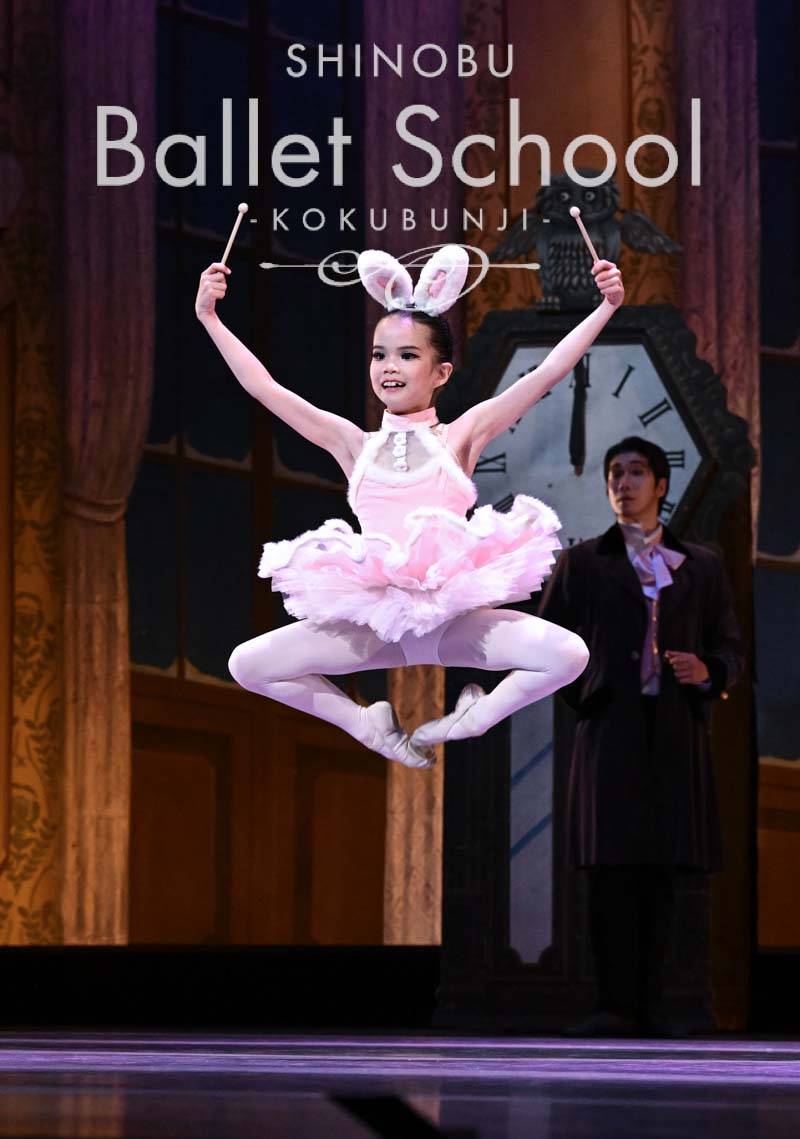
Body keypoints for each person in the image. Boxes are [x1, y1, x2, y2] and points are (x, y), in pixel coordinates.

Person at [194, 245, 624, 768]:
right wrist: (210, 317)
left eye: (407, 355)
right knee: (248, 665)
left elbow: (547, 372)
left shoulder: (460, 435)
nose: (389, 367)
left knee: (570, 654)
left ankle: (471, 719)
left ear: (441, 373)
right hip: (375, 625)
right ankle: (367, 726)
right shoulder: (353, 443)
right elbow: (263, 387)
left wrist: (606, 307)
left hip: (451, 618)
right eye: (380, 354)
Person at [537, 437, 744, 1036]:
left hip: (675, 732)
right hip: (610, 731)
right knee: (611, 871)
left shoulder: (701, 565)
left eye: (635, 473)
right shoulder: (583, 563)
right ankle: (614, 1005)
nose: (623, 484)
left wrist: (709, 671)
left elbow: (731, 648)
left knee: (663, 870)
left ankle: (656, 1006)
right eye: (615, 474)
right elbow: (544, 646)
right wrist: (591, 691)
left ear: (660, 485)